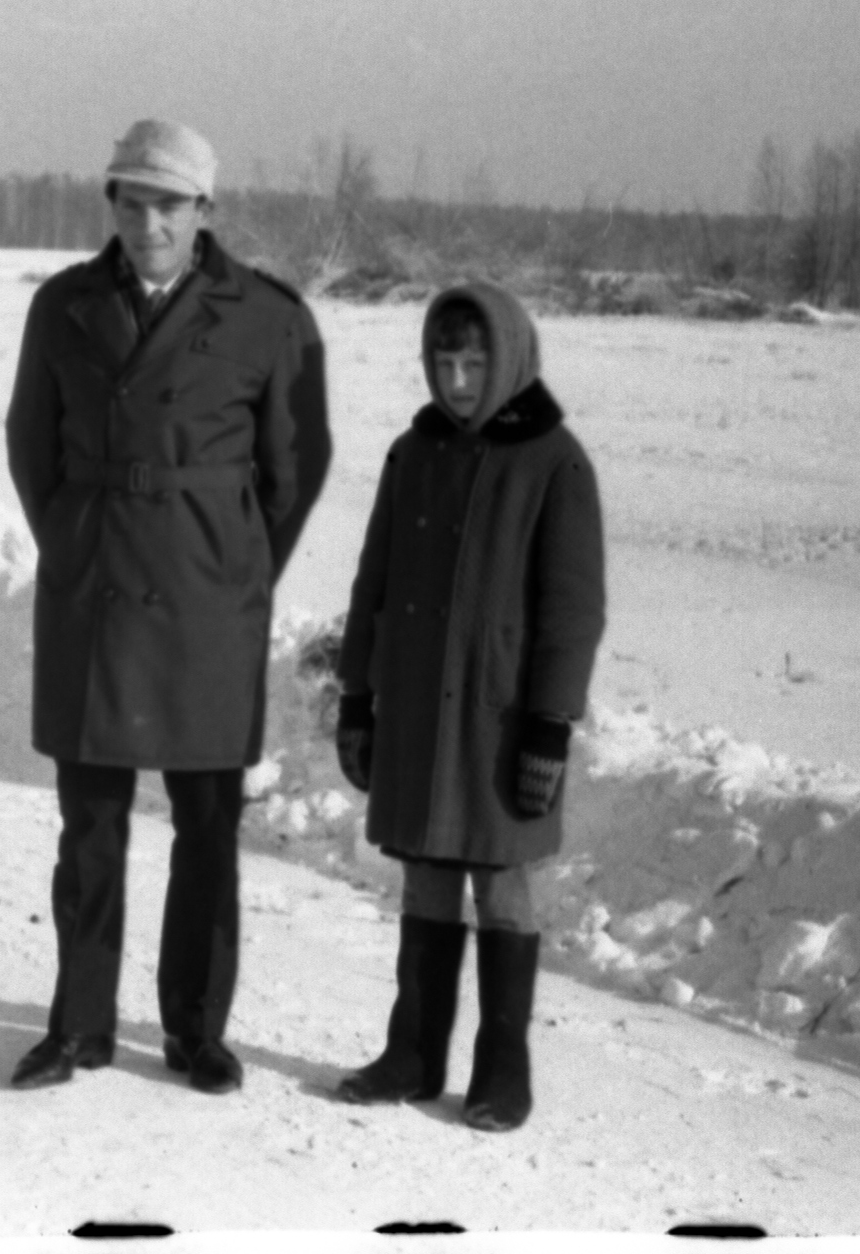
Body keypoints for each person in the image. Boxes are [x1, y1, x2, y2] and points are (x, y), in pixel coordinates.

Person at [4, 118, 331, 1094]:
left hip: (206, 606)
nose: (148, 224)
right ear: (110, 203)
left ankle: (196, 1030)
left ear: (203, 210)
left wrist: (233, 564)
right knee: (89, 827)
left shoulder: (267, 316)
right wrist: (75, 537)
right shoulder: (63, 306)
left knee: (208, 828)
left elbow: (295, 467)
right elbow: (31, 444)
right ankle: (78, 1025)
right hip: (96, 595)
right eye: (131, 202)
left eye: (168, 206)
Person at [330, 281, 606, 1132]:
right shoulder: (412, 454)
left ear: (508, 361)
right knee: (424, 873)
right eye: (444, 362)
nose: (455, 382)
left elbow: (572, 613)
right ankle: (412, 1053)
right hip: (418, 708)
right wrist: (357, 696)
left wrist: (549, 726)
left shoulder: (554, 463)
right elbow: (373, 584)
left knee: (500, 883)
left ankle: (502, 1068)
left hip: (499, 723)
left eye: (474, 365)